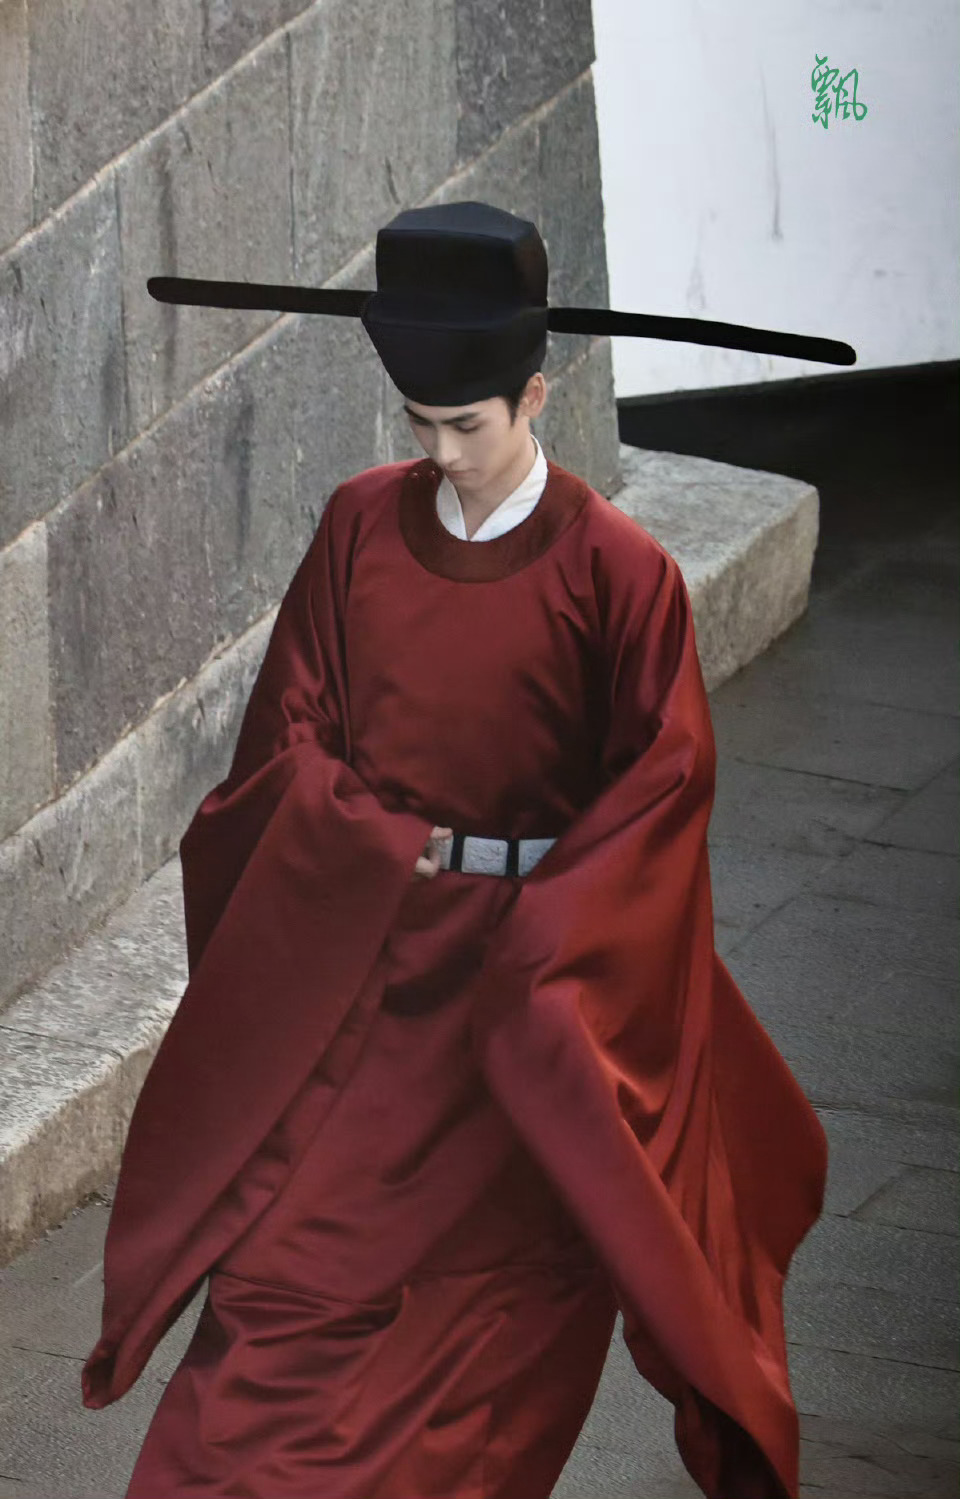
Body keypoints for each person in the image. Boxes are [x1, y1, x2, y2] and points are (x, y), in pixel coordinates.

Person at [82, 202, 848, 1499]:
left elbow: (661, 793)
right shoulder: (361, 527)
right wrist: (380, 847)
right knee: (271, 1298)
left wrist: (549, 960)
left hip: (531, 1013)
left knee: (487, 1344)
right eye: (420, 426)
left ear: (534, 397)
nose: (442, 455)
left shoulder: (619, 576)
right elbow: (284, 745)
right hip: (364, 990)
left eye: (467, 427)